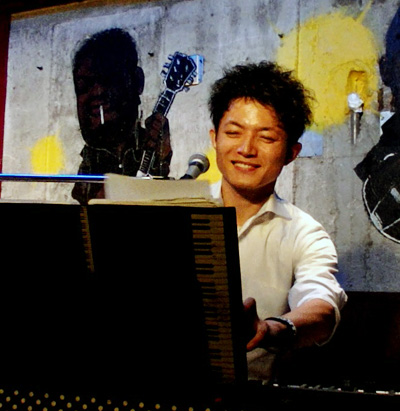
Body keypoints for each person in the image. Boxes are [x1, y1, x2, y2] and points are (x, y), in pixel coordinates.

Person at [208, 61, 347, 382]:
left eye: (267, 137)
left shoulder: (305, 233)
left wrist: (270, 329)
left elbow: (322, 305)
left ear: (291, 152)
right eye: (233, 132)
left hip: (249, 399)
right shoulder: (178, 208)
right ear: (214, 138)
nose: (246, 149)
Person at [71, 28, 172, 204]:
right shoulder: (89, 162)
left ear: (137, 81)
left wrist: (160, 160)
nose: (97, 92)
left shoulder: (150, 146)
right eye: (84, 85)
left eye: (108, 79)